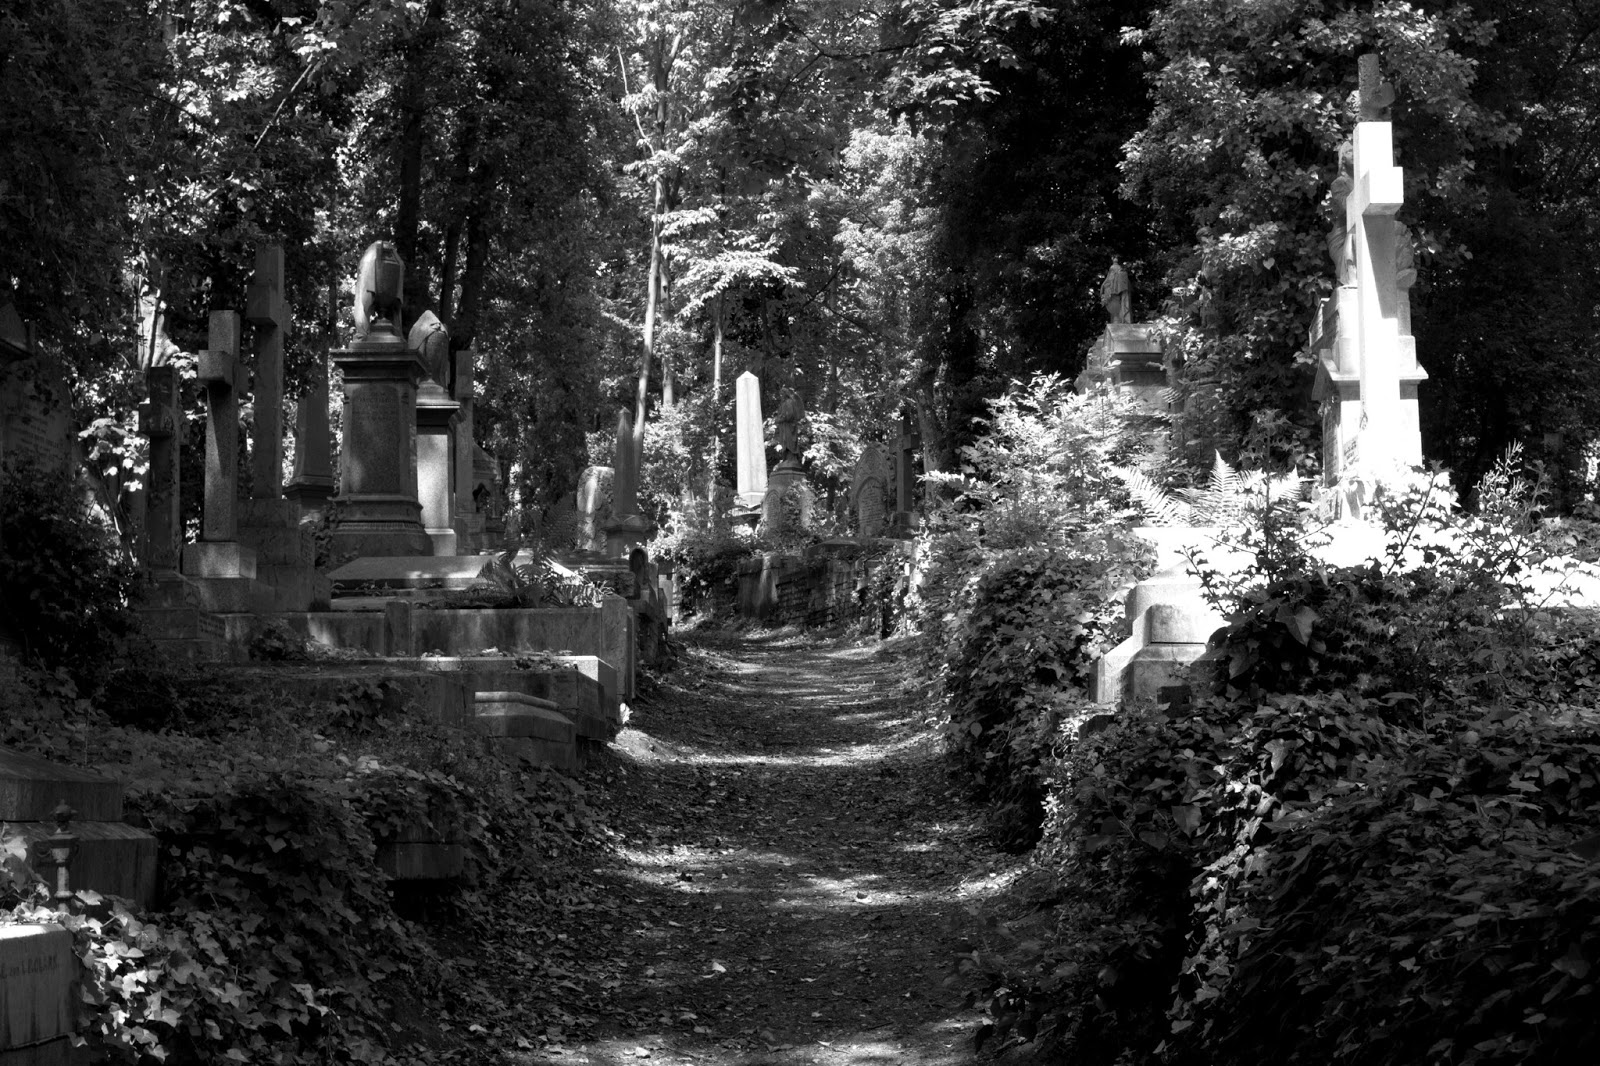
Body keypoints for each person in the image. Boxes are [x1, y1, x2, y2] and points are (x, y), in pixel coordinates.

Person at [1101, 258, 1131, 323]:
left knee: (1119, 309)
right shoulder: (1119, 276)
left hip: (1117, 298)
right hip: (1115, 299)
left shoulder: (1120, 276)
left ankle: (1121, 320)